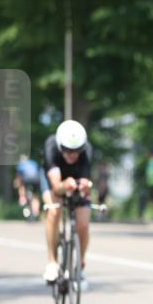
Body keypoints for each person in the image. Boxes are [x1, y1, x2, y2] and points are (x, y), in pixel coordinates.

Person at [41, 120, 94, 284]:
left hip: (75, 180)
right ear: (59, 146)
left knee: (84, 223)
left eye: (77, 151)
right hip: (55, 181)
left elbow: (86, 183)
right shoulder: (51, 148)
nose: (72, 154)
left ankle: (80, 263)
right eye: (67, 150)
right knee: (54, 210)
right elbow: (56, 187)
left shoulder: (87, 152)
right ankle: (52, 262)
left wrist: (85, 186)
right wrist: (66, 185)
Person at [14, 154, 41, 218]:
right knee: (35, 196)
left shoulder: (21, 165)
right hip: (36, 179)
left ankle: (22, 198)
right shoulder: (34, 163)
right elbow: (38, 171)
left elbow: (19, 176)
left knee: (21, 185)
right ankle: (36, 211)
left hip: (27, 180)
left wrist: (16, 183)